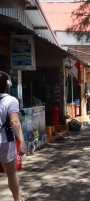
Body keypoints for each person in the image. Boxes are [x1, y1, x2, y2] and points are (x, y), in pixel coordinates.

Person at [0, 72, 27, 201]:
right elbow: (14, 122)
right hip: (5, 141)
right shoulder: (11, 100)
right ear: (7, 86)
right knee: (11, 173)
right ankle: (17, 198)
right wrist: (21, 141)